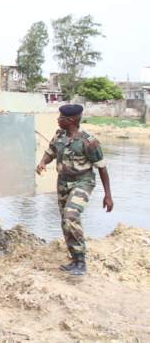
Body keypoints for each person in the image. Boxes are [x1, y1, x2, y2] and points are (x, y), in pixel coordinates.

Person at [36, 104, 113, 276]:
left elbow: (102, 168)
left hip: (82, 182)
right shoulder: (60, 135)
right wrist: (43, 162)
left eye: (60, 117)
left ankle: (81, 261)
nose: (57, 119)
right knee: (65, 220)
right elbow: (51, 151)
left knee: (71, 216)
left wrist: (108, 195)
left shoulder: (88, 142)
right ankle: (73, 258)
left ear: (69, 121)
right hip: (63, 182)